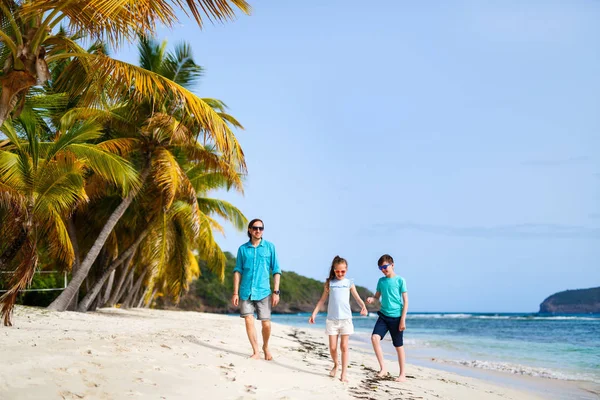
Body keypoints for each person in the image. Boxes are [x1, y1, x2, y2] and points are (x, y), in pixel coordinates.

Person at [308, 255, 368, 382]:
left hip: (346, 320)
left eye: (343, 271)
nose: (340, 273)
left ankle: (344, 374)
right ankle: (336, 364)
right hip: (332, 321)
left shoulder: (349, 283)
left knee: (344, 346)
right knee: (333, 348)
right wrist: (314, 314)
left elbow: (357, 298)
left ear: (346, 270)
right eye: (337, 271)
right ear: (334, 270)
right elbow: (322, 300)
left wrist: (363, 307)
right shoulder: (329, 283)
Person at [232, 218, 281, 360]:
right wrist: (235, 292)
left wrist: (276, 291)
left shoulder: (270, 247)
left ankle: (265, 346)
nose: (258, 230)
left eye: (261, 228)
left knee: (266, 323)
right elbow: (237, 271)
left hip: (264, 291)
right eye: (255, 228)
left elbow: (276, 270)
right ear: (249, 230)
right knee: (248, 320)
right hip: (245, 291)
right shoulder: (242, 249)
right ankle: (256, 351)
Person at [366, 254, 409, 382]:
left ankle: (402, 374)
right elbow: (377, 297)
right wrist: (372, 299)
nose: (383, 270)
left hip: (397, 318)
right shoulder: (381, 281)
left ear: (392, 265)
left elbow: (406, 301)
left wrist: (403, 319)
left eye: (385, 267)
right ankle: (383, 369)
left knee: (398, 346)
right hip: (383, 316)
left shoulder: (400, 280)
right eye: (381, 268)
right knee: (374, 338)